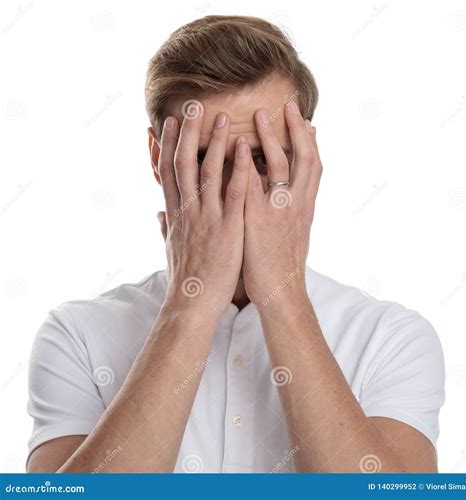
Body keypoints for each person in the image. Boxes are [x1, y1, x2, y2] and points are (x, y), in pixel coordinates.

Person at [26, 15, 444, 473]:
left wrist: (282, 295)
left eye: (264, 158)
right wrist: (193, 302)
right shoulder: (79, 336)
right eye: (206, 159)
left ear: (306, 156)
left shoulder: (391, 339)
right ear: (159, 158)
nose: (236, 189)